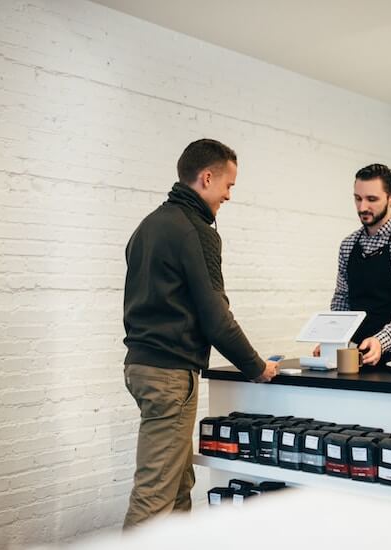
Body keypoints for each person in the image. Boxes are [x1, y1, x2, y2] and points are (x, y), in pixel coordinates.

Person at [122, 138, 279, 529]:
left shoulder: (148, 226)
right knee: (155, 493)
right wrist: (256, 367)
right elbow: (215, 316)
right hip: (171, 374)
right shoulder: (196, 231)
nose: (228, 196)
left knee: (178, 483)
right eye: (228, 186)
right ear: (206, 178)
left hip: (141, 367)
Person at [321, 163, 391, 366]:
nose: (362, 207)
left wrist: (381, 341)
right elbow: (342, 302)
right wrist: (332, 341)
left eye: (372, 199)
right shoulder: (348, 245)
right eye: (357, 198)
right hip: (360, 357)